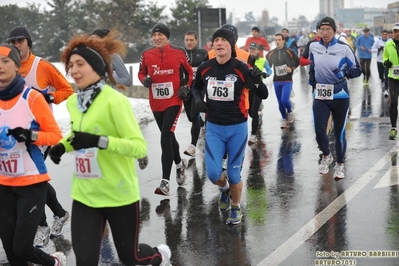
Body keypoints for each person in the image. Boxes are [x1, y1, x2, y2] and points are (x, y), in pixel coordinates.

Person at [49, 33, 172, 266]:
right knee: (85, 261)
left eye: (80, 64)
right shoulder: (74, 103)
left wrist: (99, 141)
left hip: (119, 194)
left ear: (96, 67)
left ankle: (160, 256)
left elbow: (138, 146)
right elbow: (79, 132)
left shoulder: (114, 101)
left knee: (131, 257)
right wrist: (61, 146)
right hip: (85, 194)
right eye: (70, 65)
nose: (73, 70)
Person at [191, 28, 268, 225]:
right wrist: (198, 99)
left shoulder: (241, 68)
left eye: (223, 40)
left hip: (237, 128)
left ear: (232, 45)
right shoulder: (205, 68)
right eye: (216, 40)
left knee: (234, 174)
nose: (219, 43)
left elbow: (264, 93)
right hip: (214, 128)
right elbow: (196, 87)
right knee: (213, 174)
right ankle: (224, 190)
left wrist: (257, 79)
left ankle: (235, 208)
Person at [6, 25, 73, 247]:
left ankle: (41, 226)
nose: (16, 45)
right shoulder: (6, 68)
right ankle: (60, 213)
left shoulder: (41, 66)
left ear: (28, 42)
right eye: (12, 42)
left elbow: (67, 90)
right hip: (13, 136)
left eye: (20, 41)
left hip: (39, 134)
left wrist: (50, 97)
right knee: (30, 178)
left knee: (30, 178)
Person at [138, 23, 193, 196]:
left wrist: (186, 87)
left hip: (174, 101)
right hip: (156, 103)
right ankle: (179, 164)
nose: (156, 38)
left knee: (165, 138)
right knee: (168, 136)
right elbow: (141, 73)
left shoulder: (178, 52)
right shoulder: (147, 54)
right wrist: (144, 80)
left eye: (160, 35)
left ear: (167, 37)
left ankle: (165, 183)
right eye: (154, 35)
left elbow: (190, 73)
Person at [309, 16, 361, 179]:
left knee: (339, 133)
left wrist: (345, 72)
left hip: (340, 95)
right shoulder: (313, 47)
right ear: (318, 31)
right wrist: (313, 82)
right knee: (319, 131)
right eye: (322, 29)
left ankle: (340, 165)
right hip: (321, 95)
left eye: (328, 29)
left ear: (334, 31)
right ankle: (326, 156)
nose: (324, 33)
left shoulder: (344, 48)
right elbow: (313, 66)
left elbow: (357, 70)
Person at [182, 31, 207, 157]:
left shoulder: (203, 53)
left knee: (194, 114)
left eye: (191, 40)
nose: (189, 42)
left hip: (198, 88)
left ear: (196, 41)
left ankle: (192, 146)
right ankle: (203, 124)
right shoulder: (181, 54)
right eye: (187, 40)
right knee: (191, 118)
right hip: (186, 89)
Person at [266, 33, 299, 129]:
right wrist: (267, 71)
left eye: (279, 40)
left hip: (287, 80)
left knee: (285, 99)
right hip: (277, 80)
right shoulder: (271, 53)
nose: (277, 42)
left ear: (283, 41)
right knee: (280, 102)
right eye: (276, 40)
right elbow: (268, 65)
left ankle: (290, 112)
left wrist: (291, 68)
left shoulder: (290, 52)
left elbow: (297, 61)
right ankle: (284, 119)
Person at [247, 42, 272, 144]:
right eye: (250, 49)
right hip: (248, 88)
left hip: (258, 87)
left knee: (254, 111)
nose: (252, 51)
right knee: (250, 113)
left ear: (258, 50)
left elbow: (270, 70)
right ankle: (258, 115)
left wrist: (266, 74)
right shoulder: (246, 60)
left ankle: (253, 135)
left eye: (254, 49)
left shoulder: (262, 60)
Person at [383, 23, 399, 140]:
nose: (397, 33)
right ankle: (393, 129)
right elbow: (384, 58)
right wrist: (386, 62)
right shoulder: (388, 44)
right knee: (393, 103)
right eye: (395, 31)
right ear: (392, 33)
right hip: (393, 78)